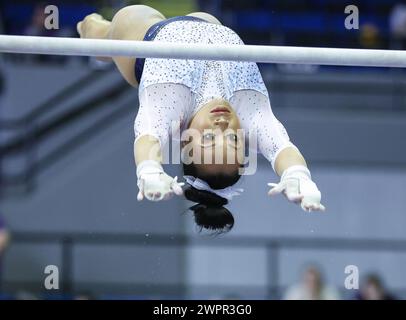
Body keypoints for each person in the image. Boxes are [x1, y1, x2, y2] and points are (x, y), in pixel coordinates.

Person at [76, 5, 325, 232]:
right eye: (234, 139)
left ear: (185, 143)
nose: (222, 125)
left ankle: (91, 28)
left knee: (102, 34)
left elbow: (148, 138)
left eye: (207, 137)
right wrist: (297, 175)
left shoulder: (170, 107)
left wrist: (150, 170)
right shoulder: (251, 113)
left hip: (146, 36)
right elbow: (283, 149)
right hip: (210, 27)